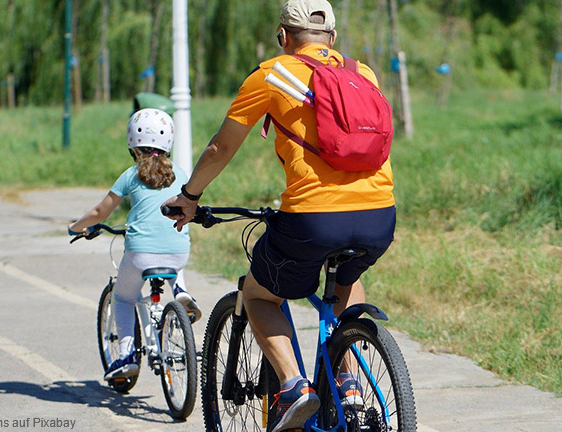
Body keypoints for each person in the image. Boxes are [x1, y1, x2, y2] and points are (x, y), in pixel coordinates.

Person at [163, 1, 395, 431]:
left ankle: (293, 387)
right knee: (347, 275)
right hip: (380, 214)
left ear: (283, 37)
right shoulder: (364, 74)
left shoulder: (272, 72)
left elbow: (221, 147)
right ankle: (348, 382)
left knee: (260, 295)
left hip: (313, 217)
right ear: (333, 38)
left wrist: (190, 195)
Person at [69, 108, 201, 381]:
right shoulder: (181, 172)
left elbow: (100, 213)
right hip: (178, 252)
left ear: (132, 143)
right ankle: (181, 291)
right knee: (172, 251)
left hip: (141, 253)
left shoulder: (131, 175)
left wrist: (76, 226)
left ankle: (127, 355)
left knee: (123, 297)